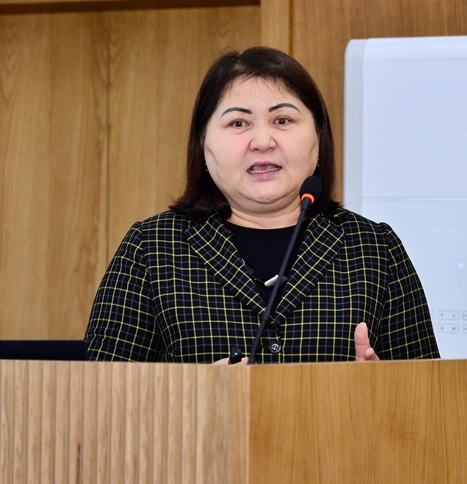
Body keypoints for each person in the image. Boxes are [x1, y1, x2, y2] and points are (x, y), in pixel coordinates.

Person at [84, 46, 439, 364]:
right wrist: (195, 400)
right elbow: (102, 400)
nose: (263, 141)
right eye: (238, 123)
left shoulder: (374, 248)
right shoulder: (151, 248)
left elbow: (430, 400)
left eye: (282, 120)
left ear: (319, 137)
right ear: (203, 144)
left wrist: (383, 392)